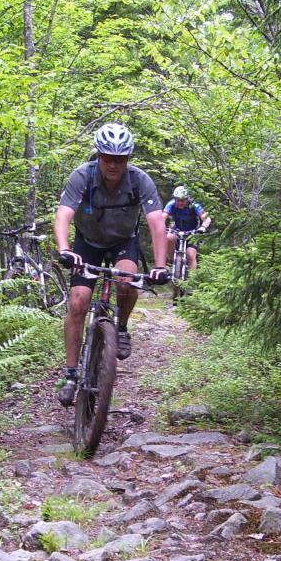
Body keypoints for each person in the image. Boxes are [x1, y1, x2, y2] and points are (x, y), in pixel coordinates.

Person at [54, 123, 170, 407]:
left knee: (127, 280)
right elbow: (64, 214)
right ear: (99, 155)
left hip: (122, 241)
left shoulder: (140, 180)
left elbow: (157, 223)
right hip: (87, 243)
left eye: (121, 158)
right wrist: (65, 249)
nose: (114, 164)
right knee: (78, 303)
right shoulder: (82, 175)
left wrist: (160, 265)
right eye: (108, 157)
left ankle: (121, 328)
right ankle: (70, 374)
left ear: (128, 158)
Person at [164, 185, 211, 273]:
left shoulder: (194, 205)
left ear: (188, 199)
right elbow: (162, 217)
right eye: (178, 200)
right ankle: (171, 260)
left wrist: (203, 227)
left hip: (193, 232)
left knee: (190, 254)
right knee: (169, 237)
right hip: (177, 230)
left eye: (182, 200)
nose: (180, 202)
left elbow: (207, 218)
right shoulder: (171, 204)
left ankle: (191, 280)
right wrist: (160, 227)